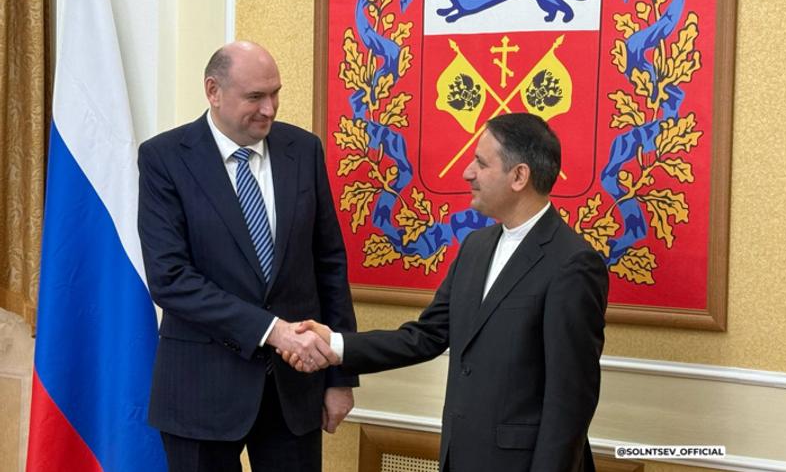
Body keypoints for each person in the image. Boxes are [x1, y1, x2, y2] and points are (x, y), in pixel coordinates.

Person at [286, 113, 608, 471]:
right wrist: (334, 345)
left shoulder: (573, 264)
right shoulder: (475, 246)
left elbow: (570, 401)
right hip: (460, 455)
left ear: (519, 176)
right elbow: (426, 336)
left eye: (481, 163)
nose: (468, 172)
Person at [137, 40, 358, 472]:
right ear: (213, 91)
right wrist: (272, 331)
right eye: (255, 96)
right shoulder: (165, 158)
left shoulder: (303, 150)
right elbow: (171, 279)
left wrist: (340, 376)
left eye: (275, 93)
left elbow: (329, 264)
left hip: (294, 393)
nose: (269, 109)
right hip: (201, 391)